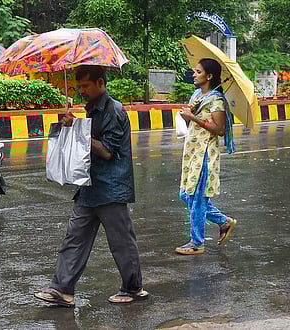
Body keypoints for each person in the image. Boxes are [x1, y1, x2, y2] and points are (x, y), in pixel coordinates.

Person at [34, 65, 148, 307]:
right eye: (79, 87)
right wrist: (72, 125)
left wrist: (76, 127)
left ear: (100, 83)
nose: (82, 91)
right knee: (74, 237)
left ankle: (133, 287)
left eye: (86, 86)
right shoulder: (93, 110)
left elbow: (106, 151)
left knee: (121, 241)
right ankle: (62, 289)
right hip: (89, 186)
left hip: (111, 187)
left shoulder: (113, 111)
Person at [176, 58, 237, 255]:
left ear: (209, 76)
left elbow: (219, 129)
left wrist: (193, 117)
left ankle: (196, 243)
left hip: (205, 155)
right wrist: (189, 114)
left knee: (197, 198)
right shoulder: (198, 95)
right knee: (185, 195)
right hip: (192, 152)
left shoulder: (217, 100)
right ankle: (223, 221)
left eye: (198, 71)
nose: (194, 74)